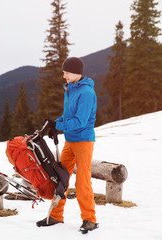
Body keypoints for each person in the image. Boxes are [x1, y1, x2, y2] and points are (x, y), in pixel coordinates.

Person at [36, 57, 99, 233]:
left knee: (82, 181)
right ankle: (56, 216)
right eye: (64, 72)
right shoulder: (70, 89)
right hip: (70, 141)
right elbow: (68, 116)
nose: (64, 76)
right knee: (60, 177)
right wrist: (54, 124)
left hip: (84, 141)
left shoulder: (86, 93)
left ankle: (90, 219)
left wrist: (59, 126)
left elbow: (80, 121)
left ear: (76, 72)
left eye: (67, 72)